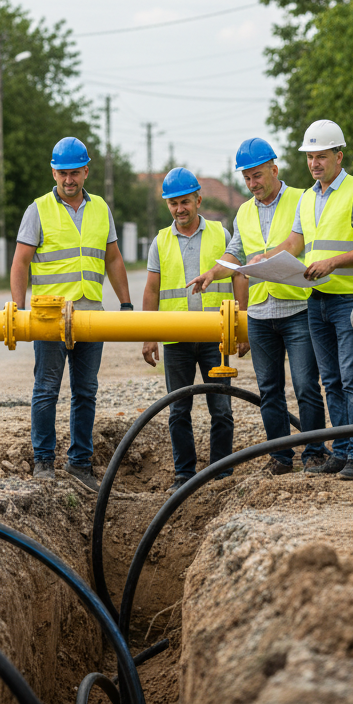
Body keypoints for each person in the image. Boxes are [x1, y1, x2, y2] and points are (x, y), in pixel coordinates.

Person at [188, 138, 329, 476]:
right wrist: (212, 270)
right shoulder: (244, 211)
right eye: (247, 178)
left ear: (274, 169)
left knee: (306, 385)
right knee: (269, 389)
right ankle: (280, 456)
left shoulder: (301, 199)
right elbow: (234, 254)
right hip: (261, 312)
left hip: (296, 307)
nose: (252, 184)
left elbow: (304, 241)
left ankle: (315, 453)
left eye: (257, 176)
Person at [10, 136, 132, 490]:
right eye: (63, 173)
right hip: (49, 317)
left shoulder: (100, 210)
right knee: (47, 388)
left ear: (86, 172)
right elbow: (21, 261)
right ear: (53, 172)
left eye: (75, 173)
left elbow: (113, 259)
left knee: (85, 391)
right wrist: (18, 310)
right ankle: (43, 462)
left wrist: (124, 303)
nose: (68, 180)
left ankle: (80, 463)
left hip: (91, 313)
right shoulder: (38, 209)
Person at [258, 120, 353, 480]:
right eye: (310, 157)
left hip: (345, 300)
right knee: (332, 380)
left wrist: (335, 266)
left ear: (339, 156)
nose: (314, 163)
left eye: (321, 156)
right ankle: (340, 450)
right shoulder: (308, 198)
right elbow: (295, 243)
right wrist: (265, 259)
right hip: (317, 301)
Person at [142, 167, 247, 491]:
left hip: (215, 337)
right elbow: (152, 290)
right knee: (178, 410)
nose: (179, 209)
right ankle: (184, 476)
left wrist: (241, 324)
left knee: (221, 407)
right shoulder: (160, 241)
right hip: (176, 339)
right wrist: (149, 335)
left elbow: (238, 275)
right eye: (173, 204)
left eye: (184, 202)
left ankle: (222, 473)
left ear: (198, 200)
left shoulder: (221, 234)